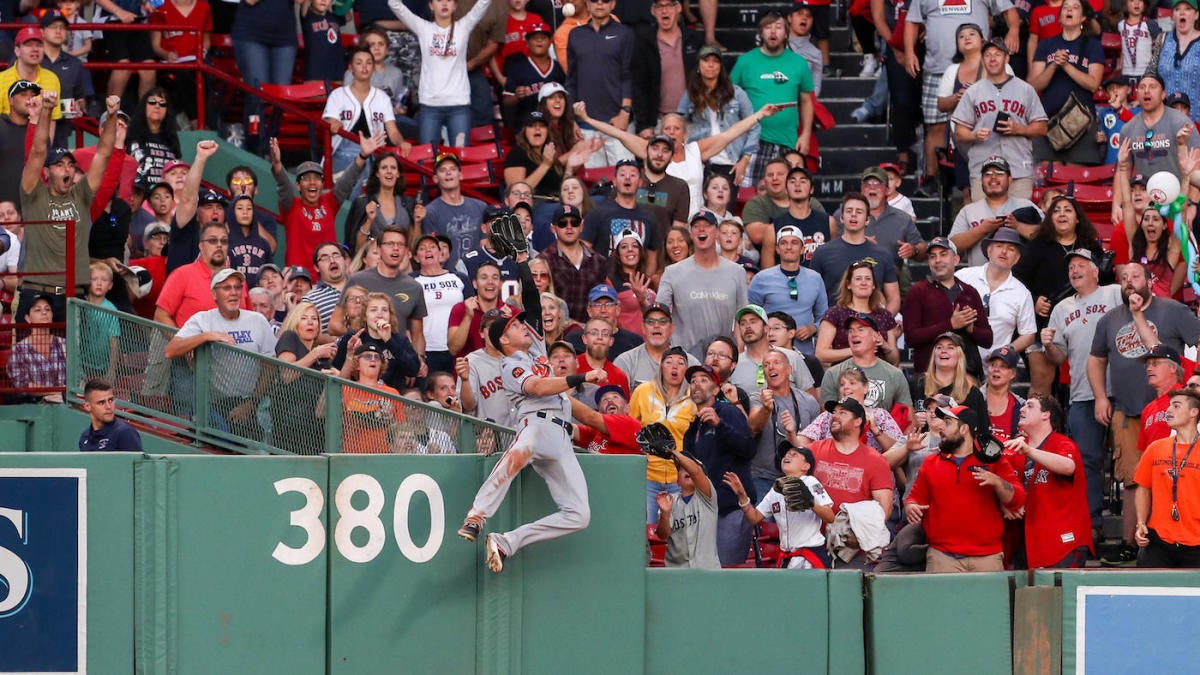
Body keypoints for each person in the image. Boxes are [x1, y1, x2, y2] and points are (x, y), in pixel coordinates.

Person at [456, 245, 607, 574]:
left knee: (580, 515)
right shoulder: (509, 364)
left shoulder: (537, 345)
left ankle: (508, 541)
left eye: (521, 323)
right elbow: (538, 387)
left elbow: (534, 301)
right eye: (514, 326)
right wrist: (580, 376)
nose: (522, 325)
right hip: (534, 425)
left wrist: (523, 261)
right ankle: (476, 517)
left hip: (561, 436)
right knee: (515, 456)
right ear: (504, 340)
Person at [1088, 262, 1200, 565]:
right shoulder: (1153, 408)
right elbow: (1140, 481)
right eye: (1123, 278)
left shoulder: (1185, 390)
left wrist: (1138, 315)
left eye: (1154, 364)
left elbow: (1159, 347)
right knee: (1137, 482)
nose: (1148, 367)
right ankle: (1136, 539)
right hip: (1131, 414)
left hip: (1189, 517)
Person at [18, 92, 117, 323]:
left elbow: (103, 154)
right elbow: (38, 151)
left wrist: (111, 117)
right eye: (60, 165)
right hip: (37, 294)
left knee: (74, 358)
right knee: (28, 358)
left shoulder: (80, 195)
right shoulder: (33, 194)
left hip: (74, 295)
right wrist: (46, 111)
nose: (67, 170)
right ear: (47, 171)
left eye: (71, 165)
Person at [903, 0, 1021, 195]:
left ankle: (988, 174)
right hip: (936, 67)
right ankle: (933, 178)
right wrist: (909, 52)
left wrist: (1014, 30)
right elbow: (912, 21)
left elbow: (1008, 9)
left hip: (981, 68)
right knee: (935, 125)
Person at [1043, 248, 1122, 535]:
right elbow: (1057, 358)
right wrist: (1049, 344)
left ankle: (1136, 523)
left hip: (1122, 390)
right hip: (1082, 394)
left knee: (1129, 458)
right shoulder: (1062, 308)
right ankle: (1092, 524)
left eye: (1080, 265)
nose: (1074, 270)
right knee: (1086, 459)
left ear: (1095, 271)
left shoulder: (1114, 293)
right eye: (1070, 267)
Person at [904, 404, 1025, 572]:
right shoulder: (931, 464)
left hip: (987, 557)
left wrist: (997, 482)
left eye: (947, 423)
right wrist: (910, 506)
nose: (941, 428)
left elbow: (1017, 499)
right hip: (942, 556)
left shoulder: (991, 460)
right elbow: (915, 499)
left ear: (964, 429)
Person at [163, 269, 277, 440]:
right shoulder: (202, 319)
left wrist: (251, 403)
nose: (233, 293)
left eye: (237, 287)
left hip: (255, 402)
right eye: (226, 288)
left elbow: (270, 367)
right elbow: (170, 350)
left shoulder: (257, 320)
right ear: (214, 294)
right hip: (216, 404)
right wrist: (207, 336)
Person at [1015, 195, 1106, 395]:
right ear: (1049, 218)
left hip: (1085, 323)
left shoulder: (1091, 246)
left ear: (1078, 218)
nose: (1062, 214)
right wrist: (1034, 300)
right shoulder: (1038, 245)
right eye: (1056, 210)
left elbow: (1106, 282)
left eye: (1067, 210)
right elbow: (1017, 279)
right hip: (1043, 324)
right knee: (1042, 381)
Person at [951, 39, 1048, 200]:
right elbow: (959, 133)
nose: (992, 59)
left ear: (1007, 58)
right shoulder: (972, 92)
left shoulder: (1025, 89)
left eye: (998, 54)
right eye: (988, 55)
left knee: (1018, 220)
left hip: (1018, 169)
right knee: (984, 220)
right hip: (983, 170)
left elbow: (1042, 127)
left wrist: (1019, 129)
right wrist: (975, 135)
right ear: (982, 60)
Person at [680, 363, 756, 565]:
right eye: (693, 381)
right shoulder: (693, 426)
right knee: (703, 571)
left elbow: (749, 449)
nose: (697, 384)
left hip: (730, 508)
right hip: (703, 511)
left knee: (725, 573)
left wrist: (720, 425)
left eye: (704, 380)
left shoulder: (728, 413)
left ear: (716, 389)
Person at [387, 0, 493, 145]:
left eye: (449, 0)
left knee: (460, 156)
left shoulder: (464, 26)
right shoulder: (423, 28)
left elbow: (483, 3)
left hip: (459, 104)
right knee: (428, 157)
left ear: (455, 6)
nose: (444, 4)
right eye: (439, 0)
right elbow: (394, 5)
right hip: (430, 105)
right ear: (431, 6)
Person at [730, 12, 815, 187]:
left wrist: (806, 134)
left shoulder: (799, 63)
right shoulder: (745, 61)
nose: (773, 32)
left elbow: (806, 100)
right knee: (750, 192)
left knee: (787, 195)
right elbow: (728, 97)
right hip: (753, 142)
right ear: (761, 33)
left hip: (788, 142)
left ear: (786, 32)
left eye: (778, 27)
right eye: (768, 27)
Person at [270, 136, 375, 275]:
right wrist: (277, 163)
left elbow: (347, 181)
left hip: (329, 280)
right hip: (299, 281)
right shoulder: (291, 205)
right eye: (306, 179)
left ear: (322, 184)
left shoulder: (329, 202)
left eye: (317, 178)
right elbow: (283, 185)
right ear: (298, 185)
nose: (312, 182)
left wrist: (362, 156)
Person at [724, 445, 837, 568]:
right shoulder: (776, 489)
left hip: (810, 557)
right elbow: (754, 518)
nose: (787, 456)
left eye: (794, 455)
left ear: (806, 466)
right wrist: (742, 496)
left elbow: (830, 517)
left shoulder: (810, 482)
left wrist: (809, 502)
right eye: (786, 454)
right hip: (787, 558)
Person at [657, 210, 749, 355]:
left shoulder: (737, 272)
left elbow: (743, 317)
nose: (701, 229)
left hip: (723, 359)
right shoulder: (672, 273)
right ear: (691, 233)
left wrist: (738, 350)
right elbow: (659, 316)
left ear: (717, 233)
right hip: (685, 358)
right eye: (696, 226)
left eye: (707, 225)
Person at [902, 237, 993, 376]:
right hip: (930, 375)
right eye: (932, 256)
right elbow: (911, 338)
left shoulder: (970, 292)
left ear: (956, 260)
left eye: (943, 254)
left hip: (967, 375)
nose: (937, 260)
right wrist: (950, 324)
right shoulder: (917, 291)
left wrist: (971, 329)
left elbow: (987, 339)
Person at [1028, 0, 1104, 165]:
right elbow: (1034, 85)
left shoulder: (1093, 45)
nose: (1069, 10)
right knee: (1048, 181)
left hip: (1081, 123)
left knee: (1078, 182)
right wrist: (1054, 65)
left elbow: (1093, 84)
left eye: (1075, 7)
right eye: (1065, 7)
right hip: (1049, 122)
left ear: (1083, 17)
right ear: (1060, 16)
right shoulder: (1045, 45)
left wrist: (1066, 66)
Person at [1133, 387, 1200, 567]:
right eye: (1169, 406)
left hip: (1196, 543)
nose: (1168, 410)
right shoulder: (1155, 448)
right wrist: (1140, 522)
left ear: (1194, 412)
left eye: (1176, 406)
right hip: (1158, 541)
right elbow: (1143, 487)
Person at [630, 346, 698, 522]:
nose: (674, 367)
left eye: (680, 363)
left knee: (679, 531)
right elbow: (631, 428)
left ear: (686, 370)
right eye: (669, 362)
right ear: (661, 367)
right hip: (647, 475)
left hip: (680, 478)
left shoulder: (694, 397)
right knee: (646, 530)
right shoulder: (643, 391)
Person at [565, 0, 635, 167]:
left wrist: (625, 112)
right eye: (594, 1)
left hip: (617, 121)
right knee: (594, 184)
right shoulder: (575, 35)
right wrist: (572, 119)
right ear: (587, 4)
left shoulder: (625, 33)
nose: (600, 4)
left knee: (627, 178)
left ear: (613, 4)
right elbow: (571, 80)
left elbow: (629, 75)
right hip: (586, 123)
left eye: (605, 1)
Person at [677, 45, 759, 186]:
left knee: (726, 207)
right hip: (699, 161)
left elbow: (754, 126)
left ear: (721, 67)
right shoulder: (690, 94)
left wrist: (745, 160)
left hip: (730, 162)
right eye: (706, 60)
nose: (710, 65)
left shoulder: (736, 93)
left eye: (715, 61)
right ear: (698, 65)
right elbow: (678, 125)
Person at [746, 347, 823, 497]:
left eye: (776, 363)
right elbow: (753, 427)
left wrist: (792, 434)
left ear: (789, 369)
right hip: (763, 477)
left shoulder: (809, 401)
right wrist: (766, 409)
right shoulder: (757, 398)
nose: (771, 367)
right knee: (764, 520)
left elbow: (815, 445)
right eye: (766, 365)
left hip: (799, 477)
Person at [322, 45, 405, 181]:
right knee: (363, 166)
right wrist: (333, 123)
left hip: (374, 152)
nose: (364, 67)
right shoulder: (338, 95)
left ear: (373, 67)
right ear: (350, 68)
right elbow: (330, 121)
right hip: (343, 150)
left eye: (368, 63)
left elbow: (393, 132)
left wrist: (402, 142)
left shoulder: (382, 97)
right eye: (359, 63)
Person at [346, 226, 428, 363]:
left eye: (400, 244)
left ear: (406, 251)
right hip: (362, 360)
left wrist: (418, 360)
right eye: (390, 244)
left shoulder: (414, 287)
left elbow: (418, 334)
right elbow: (335, 324)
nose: (395, 248)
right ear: (378, 250)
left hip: (397, 362)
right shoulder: (357, 280)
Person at [810, 192, 900, 315]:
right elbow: (810, 297)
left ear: (867, 220)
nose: (853, 215)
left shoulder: (883, 254)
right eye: (849, 211)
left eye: (859, 212)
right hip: (833, 327)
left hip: (871, 327)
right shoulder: (822, 253)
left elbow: (894, 299)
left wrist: (882, 323)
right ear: (841, 217)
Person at [956, 228, 1037, 360]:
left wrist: (1004, 352)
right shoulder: (963, 276)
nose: (1004, 251)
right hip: (957, 362)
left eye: (1011, 249)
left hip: (995, 368)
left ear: (1016, 259)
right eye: (999, 246)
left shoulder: (1022, 293)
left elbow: (1028, 334)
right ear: (989, 251)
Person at [749, 224, 828, 356]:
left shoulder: (815, 278)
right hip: (769, 352)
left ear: (802, 249)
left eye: (794, 243)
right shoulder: (761, 278)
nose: (789, 247)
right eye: (784, 243)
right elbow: (751, 315)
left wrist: (813, 328)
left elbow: (824, 316)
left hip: (805, 353)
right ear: (777, 249)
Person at [948, 156, 1041, 266]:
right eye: (987, 174)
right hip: (978, 280)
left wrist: (1018, 226)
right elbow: (951, 248)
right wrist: (981, 230)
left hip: (1019, 279)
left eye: (999, 173)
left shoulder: (1026, 205)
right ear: (981, 180)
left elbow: (1050, 235)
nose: (993, 177)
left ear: (1010, 179)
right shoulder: (968, 211)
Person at [273, 302, 338, 455]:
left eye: (314, 319)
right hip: (289, 424)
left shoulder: (321, 355)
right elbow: (286, 374)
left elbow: (339, 380)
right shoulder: (290, 337)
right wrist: (315, 354)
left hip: (315, 428)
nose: (310, 322)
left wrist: (348, 357)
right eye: (304, 318)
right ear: (295, 322)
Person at [632, 0, 703, 136]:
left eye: (669, 5)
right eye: (660, 6)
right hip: (659, 122)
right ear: (653, 11)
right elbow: (639, 86)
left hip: (691, 121)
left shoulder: (695, 39)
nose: (664, 11)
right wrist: (644, 125)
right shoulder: (644, 42)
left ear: (678, 8)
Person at [818, 314, 913, 411]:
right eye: (851, 331)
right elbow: (826, 419)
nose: (854, 334)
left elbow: (907, 418)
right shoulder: (832, 374)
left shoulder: (895, 375)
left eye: (861, 330)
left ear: (876, 336)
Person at [814, 260, 901, 367]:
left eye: (868, 279)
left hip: (878, 377)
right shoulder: (835, 313)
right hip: (845, 376)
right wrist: (857, 350)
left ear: (873, 285)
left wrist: (885, 346)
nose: (863, 283)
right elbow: (821, 354)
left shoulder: (885, 315)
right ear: (849, 284)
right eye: (858, 279)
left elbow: (894, 361)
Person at [332, 291, 423, 392]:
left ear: (390, 316)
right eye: (373, 310)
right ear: (365, 316)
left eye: (384, 310)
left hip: (392, 399)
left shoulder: (400, 340)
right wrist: (351, 354)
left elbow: (413, 370)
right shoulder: (353, 338)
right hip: (358, 397)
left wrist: (389, 341)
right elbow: (336, 369)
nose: (379, 315)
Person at [1119, 74, 1200, 181]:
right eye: (1142, 87)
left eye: (1152, 87)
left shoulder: (1182, 123)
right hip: (1144, 195)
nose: (1146, 90)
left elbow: (1196, 167)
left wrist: (1190, 198)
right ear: (1137, 95)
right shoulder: (1127, 129)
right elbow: (1123, 170)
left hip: (1179, 195)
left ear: (1163, 94)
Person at [580, 159, 660, 264]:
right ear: (614, 181)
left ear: (640, 183)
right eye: (622, 175)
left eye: (632, 175)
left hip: (636, 279)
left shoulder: (649, 217)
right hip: (604, 279)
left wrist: (646, 279)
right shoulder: (597, 213)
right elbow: (583, 250)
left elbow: (652, 255)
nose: (627, 178)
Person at [655, 442, 720, 569]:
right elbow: (663, 535)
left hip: (707, 570)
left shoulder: (707, 496)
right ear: (677, 481)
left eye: (688, 467)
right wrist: (665, 514)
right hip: (678, 573)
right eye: (681, 469)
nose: (686, 470)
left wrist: (673, 452)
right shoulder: (670, 500)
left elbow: (695, 471)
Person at [421, 153, 488, 274]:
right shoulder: (431, 212)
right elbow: (432, 253)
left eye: (452, 169)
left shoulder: (480, 207)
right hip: (449, 278)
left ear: (460, 175)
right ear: (435, 178)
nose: (448, 173)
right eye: (442, 170)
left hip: (478, 275)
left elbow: (486, 245)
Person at [344, 152, 420, 252]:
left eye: (393, 168)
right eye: (384, 168)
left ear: (398, 174)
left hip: (404, 265)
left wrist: (418, 222)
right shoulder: (362, 203)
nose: (389, 171)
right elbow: (356, 248)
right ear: (377, 173)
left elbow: (414, 247)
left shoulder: (409, 203)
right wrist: (369, 221)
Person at [614, 303, 700, 390]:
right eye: (650, 322)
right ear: (643, 328)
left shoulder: (690, 363)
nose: (656, 326)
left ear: (671, 328)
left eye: (662, 322)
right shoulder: (626, 362)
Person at [340, 342, 406, 455]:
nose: (373, 360)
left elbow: (401, 427)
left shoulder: (392, 393)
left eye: (377, 357)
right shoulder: (346, 389)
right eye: (367, 356)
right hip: (353, 454)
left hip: (384, 454)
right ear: (356, 364)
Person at [7, 293, 66, 402]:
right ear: (28, 318)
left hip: (63, 405)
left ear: (52, 315)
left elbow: (77, 377)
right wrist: (55, 391)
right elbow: (21, 385)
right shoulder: (19, 350)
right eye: (38, 310)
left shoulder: (64, 344)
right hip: (33, 407)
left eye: (47, 309)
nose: (44, 312)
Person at [1150, 0, 1200, 126]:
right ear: (1173, 15)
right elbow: (1151, 74)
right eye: (1177, 9)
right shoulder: (1162, 39)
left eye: (1188, 9)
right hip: (1166, 122)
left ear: (1196, 15)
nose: (1182, 13)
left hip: (1196, 122)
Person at [125, 88, 181, 185]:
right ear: (144, 106)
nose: (157, 106)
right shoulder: (130, 134)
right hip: (138, 193)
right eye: (152, 102)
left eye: (162, 104)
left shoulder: (172, 139)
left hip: (165, 195)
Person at [570, 384, 643, 454]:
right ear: (600, 411)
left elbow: (588, 417)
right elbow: (571, 429)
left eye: (615, 397)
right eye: (604, 399)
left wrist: (563, 396)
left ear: (627, 408)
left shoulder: (631, 425)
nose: (610, 401)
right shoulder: (597, 431)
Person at [78, 377, 143, 452]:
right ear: (87, 406)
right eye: (101, 403)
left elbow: (138, 463)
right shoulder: (84, 437)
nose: (109, 407)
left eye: (110, 400)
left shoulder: (124, 433)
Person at [227, 195, 276, 290]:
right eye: (240, 208)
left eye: (249, 208)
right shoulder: (226, 242)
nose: (245, 212)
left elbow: (269, 272)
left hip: (258, 296)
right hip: (234, 292)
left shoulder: (264, 244)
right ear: (233, 212)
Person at [300, 242, 348, 332]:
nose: (332, 260)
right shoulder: (310, 299)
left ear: (344, 260)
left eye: (336, 255)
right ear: (316, 267)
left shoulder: (362, 285)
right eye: (325, 258)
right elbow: (308, 333)